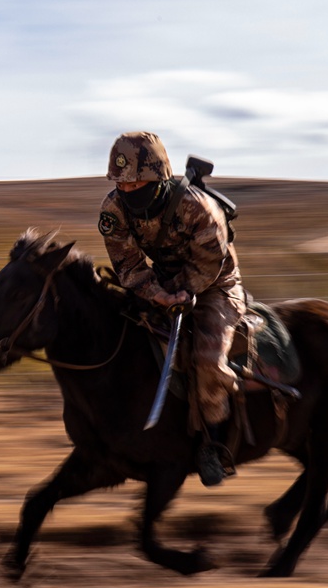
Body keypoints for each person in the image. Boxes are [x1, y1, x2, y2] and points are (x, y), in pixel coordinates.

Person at [98, 131, 245, 486]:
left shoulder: (199, 209)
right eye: (122, 184)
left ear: (158, 178)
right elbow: (128, 266)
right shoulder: (113, 211)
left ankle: (213, 444)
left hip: (214, 285)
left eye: (138, 184)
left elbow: (209, 265)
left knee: (209, 360)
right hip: (161, 282)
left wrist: (182, 293)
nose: (128, 191)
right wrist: (158, 294)